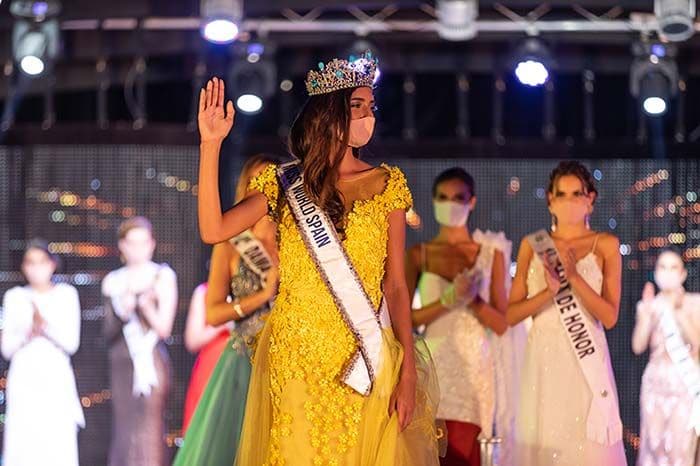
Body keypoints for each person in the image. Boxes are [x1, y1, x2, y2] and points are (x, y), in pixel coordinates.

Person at [196, 52, 441, 466]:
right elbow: (213, 230)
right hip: (297, 357)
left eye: (371, 107)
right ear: (330, 113)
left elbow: (396, 285)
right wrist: (210, 145)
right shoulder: (283, 183)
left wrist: (408, 372)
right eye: (357, 105)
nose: (368, 116)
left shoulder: (387, 184)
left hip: (364, 355)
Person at [507, 161, 626, 466]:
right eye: (562, 194)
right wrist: (549, 292)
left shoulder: (606, 245)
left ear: (591, 198)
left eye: (577, 194)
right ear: (550, 199)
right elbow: (510, 314)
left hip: (586, 362)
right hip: (542, 361)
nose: (569, 201)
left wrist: (573, 277)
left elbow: (609, 317)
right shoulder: (533, 245)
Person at [174, 153, 279, 465]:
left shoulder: (294, 240)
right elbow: (214, 313)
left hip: (284, 359)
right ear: (246, 187)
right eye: (257, 182)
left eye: (272, 182)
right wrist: (260, 298)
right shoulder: (232, 243)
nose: (265, 189)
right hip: (243, 362)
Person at [406, 167, 508, 466]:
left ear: (472, 202)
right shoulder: (419, 254)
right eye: (443, 197)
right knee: (429, 449)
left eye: (458, 198)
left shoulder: (491, 254)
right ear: (434, 201)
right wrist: (448, 300)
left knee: (468, 450)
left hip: (475, 368)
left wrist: (473, 300)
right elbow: (406, 319)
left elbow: (501, 323)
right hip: (433, 361)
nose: (451, 204)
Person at [102, 216, 178, 466]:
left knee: (150, 429)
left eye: (143, 242)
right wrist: (123, 311)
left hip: (150, 361)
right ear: (122, 246)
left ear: (152, 244)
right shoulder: (113, 280)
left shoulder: (162, 276)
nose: (138, 248)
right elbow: (107, 333)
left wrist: (145, 307)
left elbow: (164, 328)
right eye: (132, 243)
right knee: (124, 430)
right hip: (121, 364)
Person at [1, 239, 85, 466]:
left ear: (52, 264)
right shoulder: (15, 297)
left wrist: (44, 325)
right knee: (23, 445)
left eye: (41, 262)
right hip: (24, 380)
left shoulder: (66, 294)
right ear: (24, 267)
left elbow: (71, 343)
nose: (36, 268)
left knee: (56, 446)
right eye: (30, 263)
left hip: (55, 381)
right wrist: (28, 331)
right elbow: (6, 348)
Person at [632, 250, 700, 466]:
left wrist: (677, 311)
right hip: (655, 383)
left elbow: (697, 342)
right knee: (653, 447)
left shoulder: (694, 303)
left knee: (679, 449)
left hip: (685, 384)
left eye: (673, 267)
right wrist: (645, 317)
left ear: (683, 274)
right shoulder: (650, 305)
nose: (667, 272)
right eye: (662, 267)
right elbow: (637, 346)